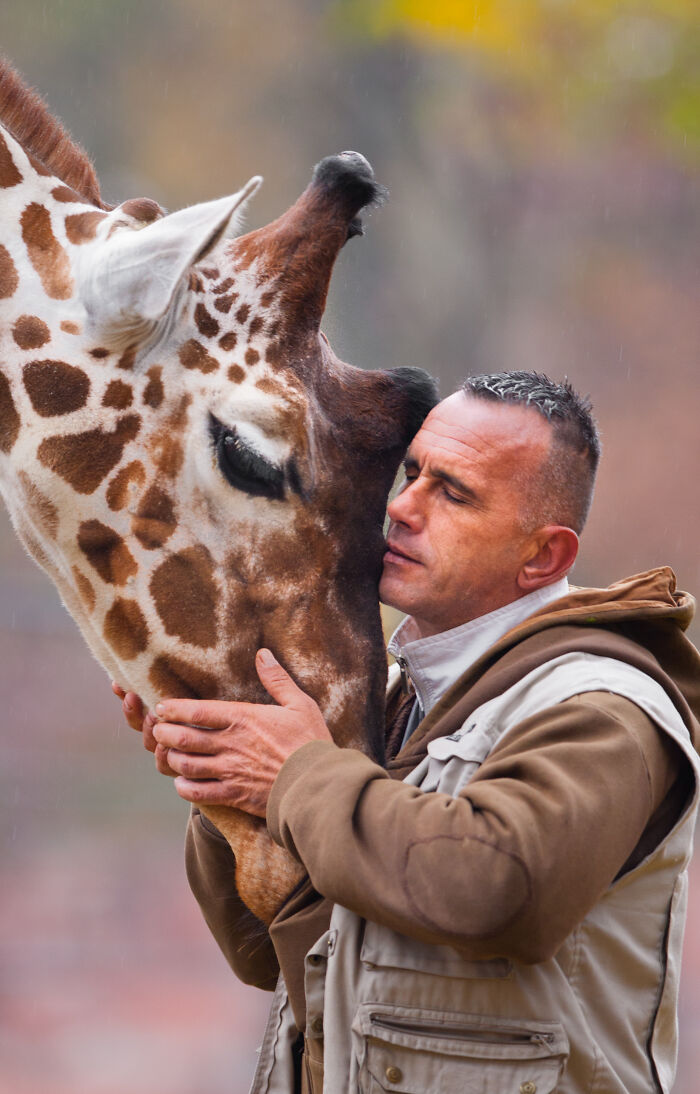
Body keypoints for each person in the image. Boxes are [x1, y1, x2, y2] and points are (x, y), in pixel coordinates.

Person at [116, 371, 700, 1094]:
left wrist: (294, 773)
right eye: (412, 473)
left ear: (543, 557)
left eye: (454, 494)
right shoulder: (394, 693)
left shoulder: (605, 708)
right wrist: (227, 781)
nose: (401, 507)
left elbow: (499, 891)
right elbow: (268, 952)